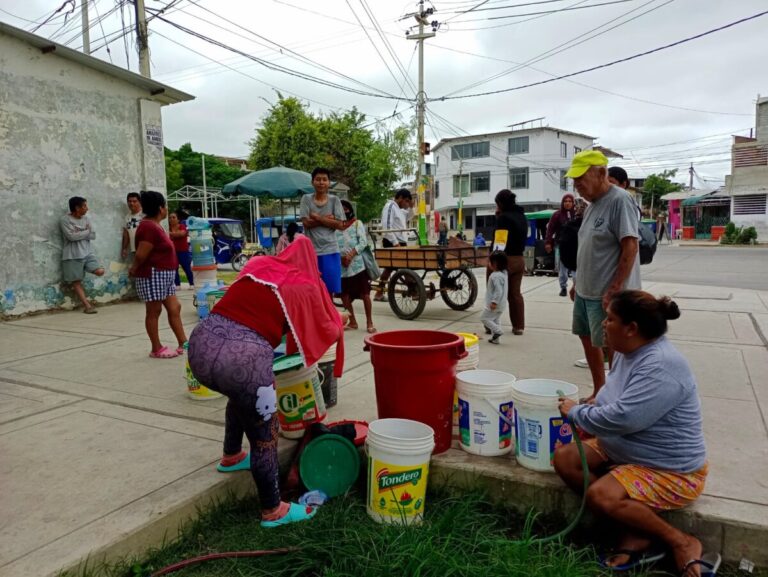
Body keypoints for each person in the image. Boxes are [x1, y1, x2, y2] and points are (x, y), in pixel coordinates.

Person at [554, 290, 715, 575]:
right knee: (566, 459)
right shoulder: (629, 351)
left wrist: (577, 413)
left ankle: (681, 542)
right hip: (624, 448)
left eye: (610, 319)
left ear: (631, 329)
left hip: (669, 468)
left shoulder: (662, 365)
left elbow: (625, 417)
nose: (604, 324)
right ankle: (636, 529)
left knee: (601, 496)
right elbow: (615, 396)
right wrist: (591, 405)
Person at [188, 235, 344, 528]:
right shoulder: (304, 285)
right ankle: (273, 510)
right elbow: (323, 327)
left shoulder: (260, 265)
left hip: (202, 344)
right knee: (265, 434)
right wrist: (339, 323)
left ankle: (232, 455)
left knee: (239, 396)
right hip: (244, 357)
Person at [565, 151, 641, 398]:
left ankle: (616, 397)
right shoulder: (591, 207)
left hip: (607, 294)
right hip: (586, 290)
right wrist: (577, 281)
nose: (577, 186)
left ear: (600, 173)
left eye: (581, 179)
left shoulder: (620, 201)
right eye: (574, 181)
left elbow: (630, 245)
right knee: (587, 339)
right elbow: (588, 247)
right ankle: (600, 390)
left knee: (613, 347)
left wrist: (616, 288)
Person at [128, 191, 187, 359]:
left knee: (175, 307)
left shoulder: (155, 225)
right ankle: (156, 347)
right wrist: (134, 268)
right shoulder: (148, 226)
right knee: (154, 310)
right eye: (165, 206)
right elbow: (141, 254)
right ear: (161, 208)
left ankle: (183, 341)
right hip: (153, 273)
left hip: (165, 274)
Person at [300, 168, 346, 295]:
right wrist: (327, 219)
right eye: (318, 179)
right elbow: (306, 223)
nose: (321, 182)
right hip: (311, 252)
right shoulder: (306, 199)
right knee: (313, 290)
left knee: (329, 291)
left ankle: (328, 315)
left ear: (329, 183)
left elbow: (340, 225)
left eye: (324, 180)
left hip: (331, 250)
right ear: (312, 182)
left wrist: (318, 217)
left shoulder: (334, 200)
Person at [490, 189, 527, 335]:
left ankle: (490, 325)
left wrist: (493, 261)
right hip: (519, 259)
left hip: (505, 260)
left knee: (494, 292)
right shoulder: (521, 216)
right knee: (515, 294)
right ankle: (518, 326)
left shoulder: (504, 218)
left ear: (500, 203)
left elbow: (499, 242)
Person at [60, 196, 105, 314]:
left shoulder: (86, 219)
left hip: (87, 253)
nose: (87, 208)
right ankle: (87, 306)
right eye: (84, 206)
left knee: (100, 271)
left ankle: (85, 270)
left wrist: (79, 232)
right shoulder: (65, 220)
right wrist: (86, 231)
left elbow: (93, 235)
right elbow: (71, 237)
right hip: (72, 255)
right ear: (77, 208)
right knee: (76, 281)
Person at [336, 200, 375, 334]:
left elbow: (363, 242)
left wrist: (351, 255)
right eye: (341, 209)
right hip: (341, 266)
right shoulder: (334, 227)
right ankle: (353, 322)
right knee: (344, 295)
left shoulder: (357, 223)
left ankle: (369, 322)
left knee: (365, 294)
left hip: (357, 265)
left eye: (346, 209)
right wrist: (341, 258)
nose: (344, 212)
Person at [374, 189, 413, 301]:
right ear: (400, 198)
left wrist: (411, 205)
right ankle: (414, 291)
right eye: (406, 201)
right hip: (392, 241)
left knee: (390, 268)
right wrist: (395, 244)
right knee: (405, 266)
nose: (406, 204)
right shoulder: (390, 206)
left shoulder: (400, 210)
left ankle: (379, 292)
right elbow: (386, 227)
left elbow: (410, 215)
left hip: (401, 242)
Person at [545, 193, 576, 297]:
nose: (567, 203)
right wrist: (548, 242)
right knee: (562, 269)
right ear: (562, 203)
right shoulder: (557, 215)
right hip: (561, 245)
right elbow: (550, 230)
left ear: (573, 203)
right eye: (565, 201)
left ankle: (576, 287)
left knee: (576, 269)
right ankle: (563, 287)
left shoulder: (577, 214)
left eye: (570, 201)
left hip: (575, 245)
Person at [482, 251, 508, 344]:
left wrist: (494, 302)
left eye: (490, 262)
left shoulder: (496, 276)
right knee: (496, 320)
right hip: (502, 303)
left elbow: (498, 291)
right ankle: (495, 339)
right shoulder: (504, 273)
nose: (488, 264)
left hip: (495, 304)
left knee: (484, 318)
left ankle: (498, 331)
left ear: (495, 264)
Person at [168, 210, 194, 290]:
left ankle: (192, 283)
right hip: (172, 252)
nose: (171, 219)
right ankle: (177, 284)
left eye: (173, 217)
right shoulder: (167, 227)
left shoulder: (182, 226)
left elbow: (182, 234)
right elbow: (177, 235)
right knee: (174, 268)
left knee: (186, 267)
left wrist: (170, 234)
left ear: (178, 219)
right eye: (170, 217)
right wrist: (175, 234)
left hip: (183, 251)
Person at [121, 192, 144, 261]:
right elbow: (126, 234)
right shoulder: (127, 217)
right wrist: (124, 248)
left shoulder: (145, 215)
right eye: (129, 201)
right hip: (134, 249)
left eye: (134, 201)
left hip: (145, 248)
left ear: (139, 202)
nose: (131, 203)